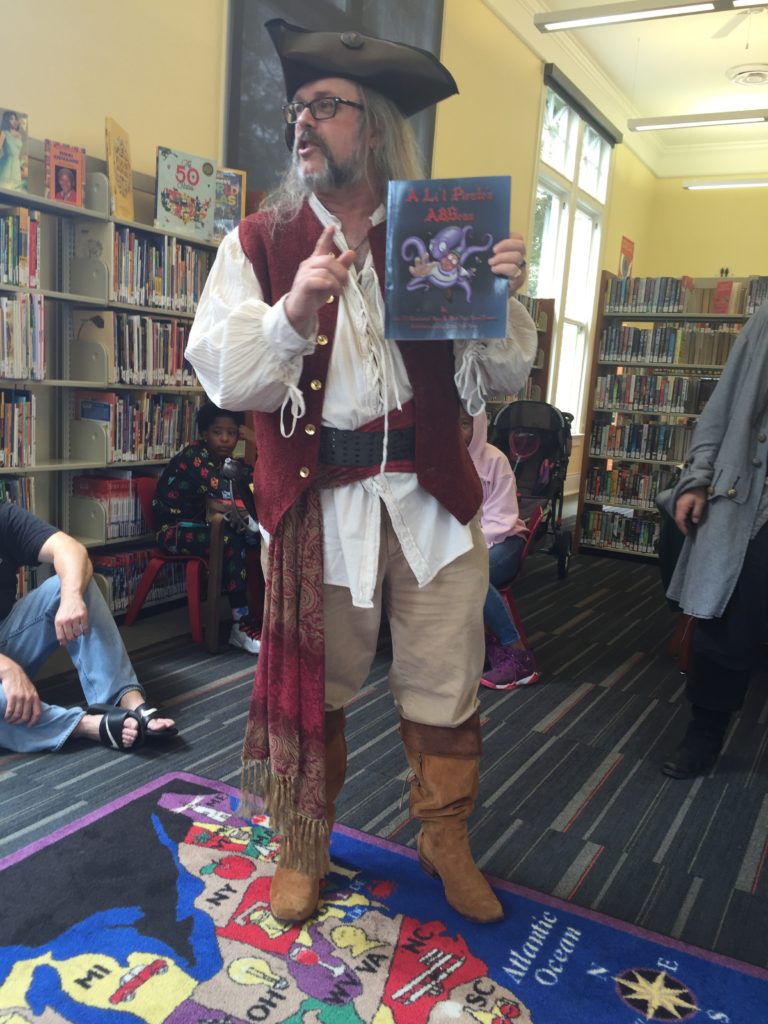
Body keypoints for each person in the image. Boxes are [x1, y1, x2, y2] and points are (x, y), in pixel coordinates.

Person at [185, 18, 537, 926]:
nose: (303, 124)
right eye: (297, 109)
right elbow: (222, 372)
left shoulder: (444, 230)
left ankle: (445, 840)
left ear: (372, 127)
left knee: (444, 684)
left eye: (326, 108)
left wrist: (502, 299)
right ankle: (306, 845)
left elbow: (499, 377)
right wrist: (290, 311)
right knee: (321, 687)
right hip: (317, 507)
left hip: (431, 499)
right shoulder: (259, 243)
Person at [659, 302, 768, 778]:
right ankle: (704, 732)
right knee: (726, 623)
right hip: (751, 500)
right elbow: (721, 409)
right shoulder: (765, 319)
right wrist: (698, 478)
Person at [0, 502, 177, 754]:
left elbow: (70, 549)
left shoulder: (3, 516)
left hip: (8, 633)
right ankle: (85, 725)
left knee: (78, 582)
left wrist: (71, 596)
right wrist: (7, 669)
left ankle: (127, 701)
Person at [153, 401, 262, 655]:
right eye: (217, 432)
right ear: (204, 434)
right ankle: (240, 624)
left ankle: (260, 617)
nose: (225, 439)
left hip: (202, 526)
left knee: (253, 538)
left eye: (232, 433)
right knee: (233, 538)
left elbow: (261, 481)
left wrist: (256, 442)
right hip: (174, 531)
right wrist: (243, 505)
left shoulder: (226, 461)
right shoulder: (194, 456)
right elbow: (222, 491)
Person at [460, 408, 539, 690]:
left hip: (502, 541)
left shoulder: (495, 459)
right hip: (461, 546)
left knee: (472, 575)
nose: (458, 430)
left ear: (479, 425)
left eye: (466, 423)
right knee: (456, 573)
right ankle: (473, 649)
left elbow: (502, 519)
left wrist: (467, 546)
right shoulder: (442, 458)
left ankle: (516, 654)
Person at [0, 110, 25, 189]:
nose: (14, 121)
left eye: (15, 119)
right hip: (6, 164)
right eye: (11, 119)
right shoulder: (4, 133)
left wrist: (22, 161)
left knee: (16, 190)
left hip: (16, 166)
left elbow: (18, 153)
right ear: (7, 120)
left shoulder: (19, 135)